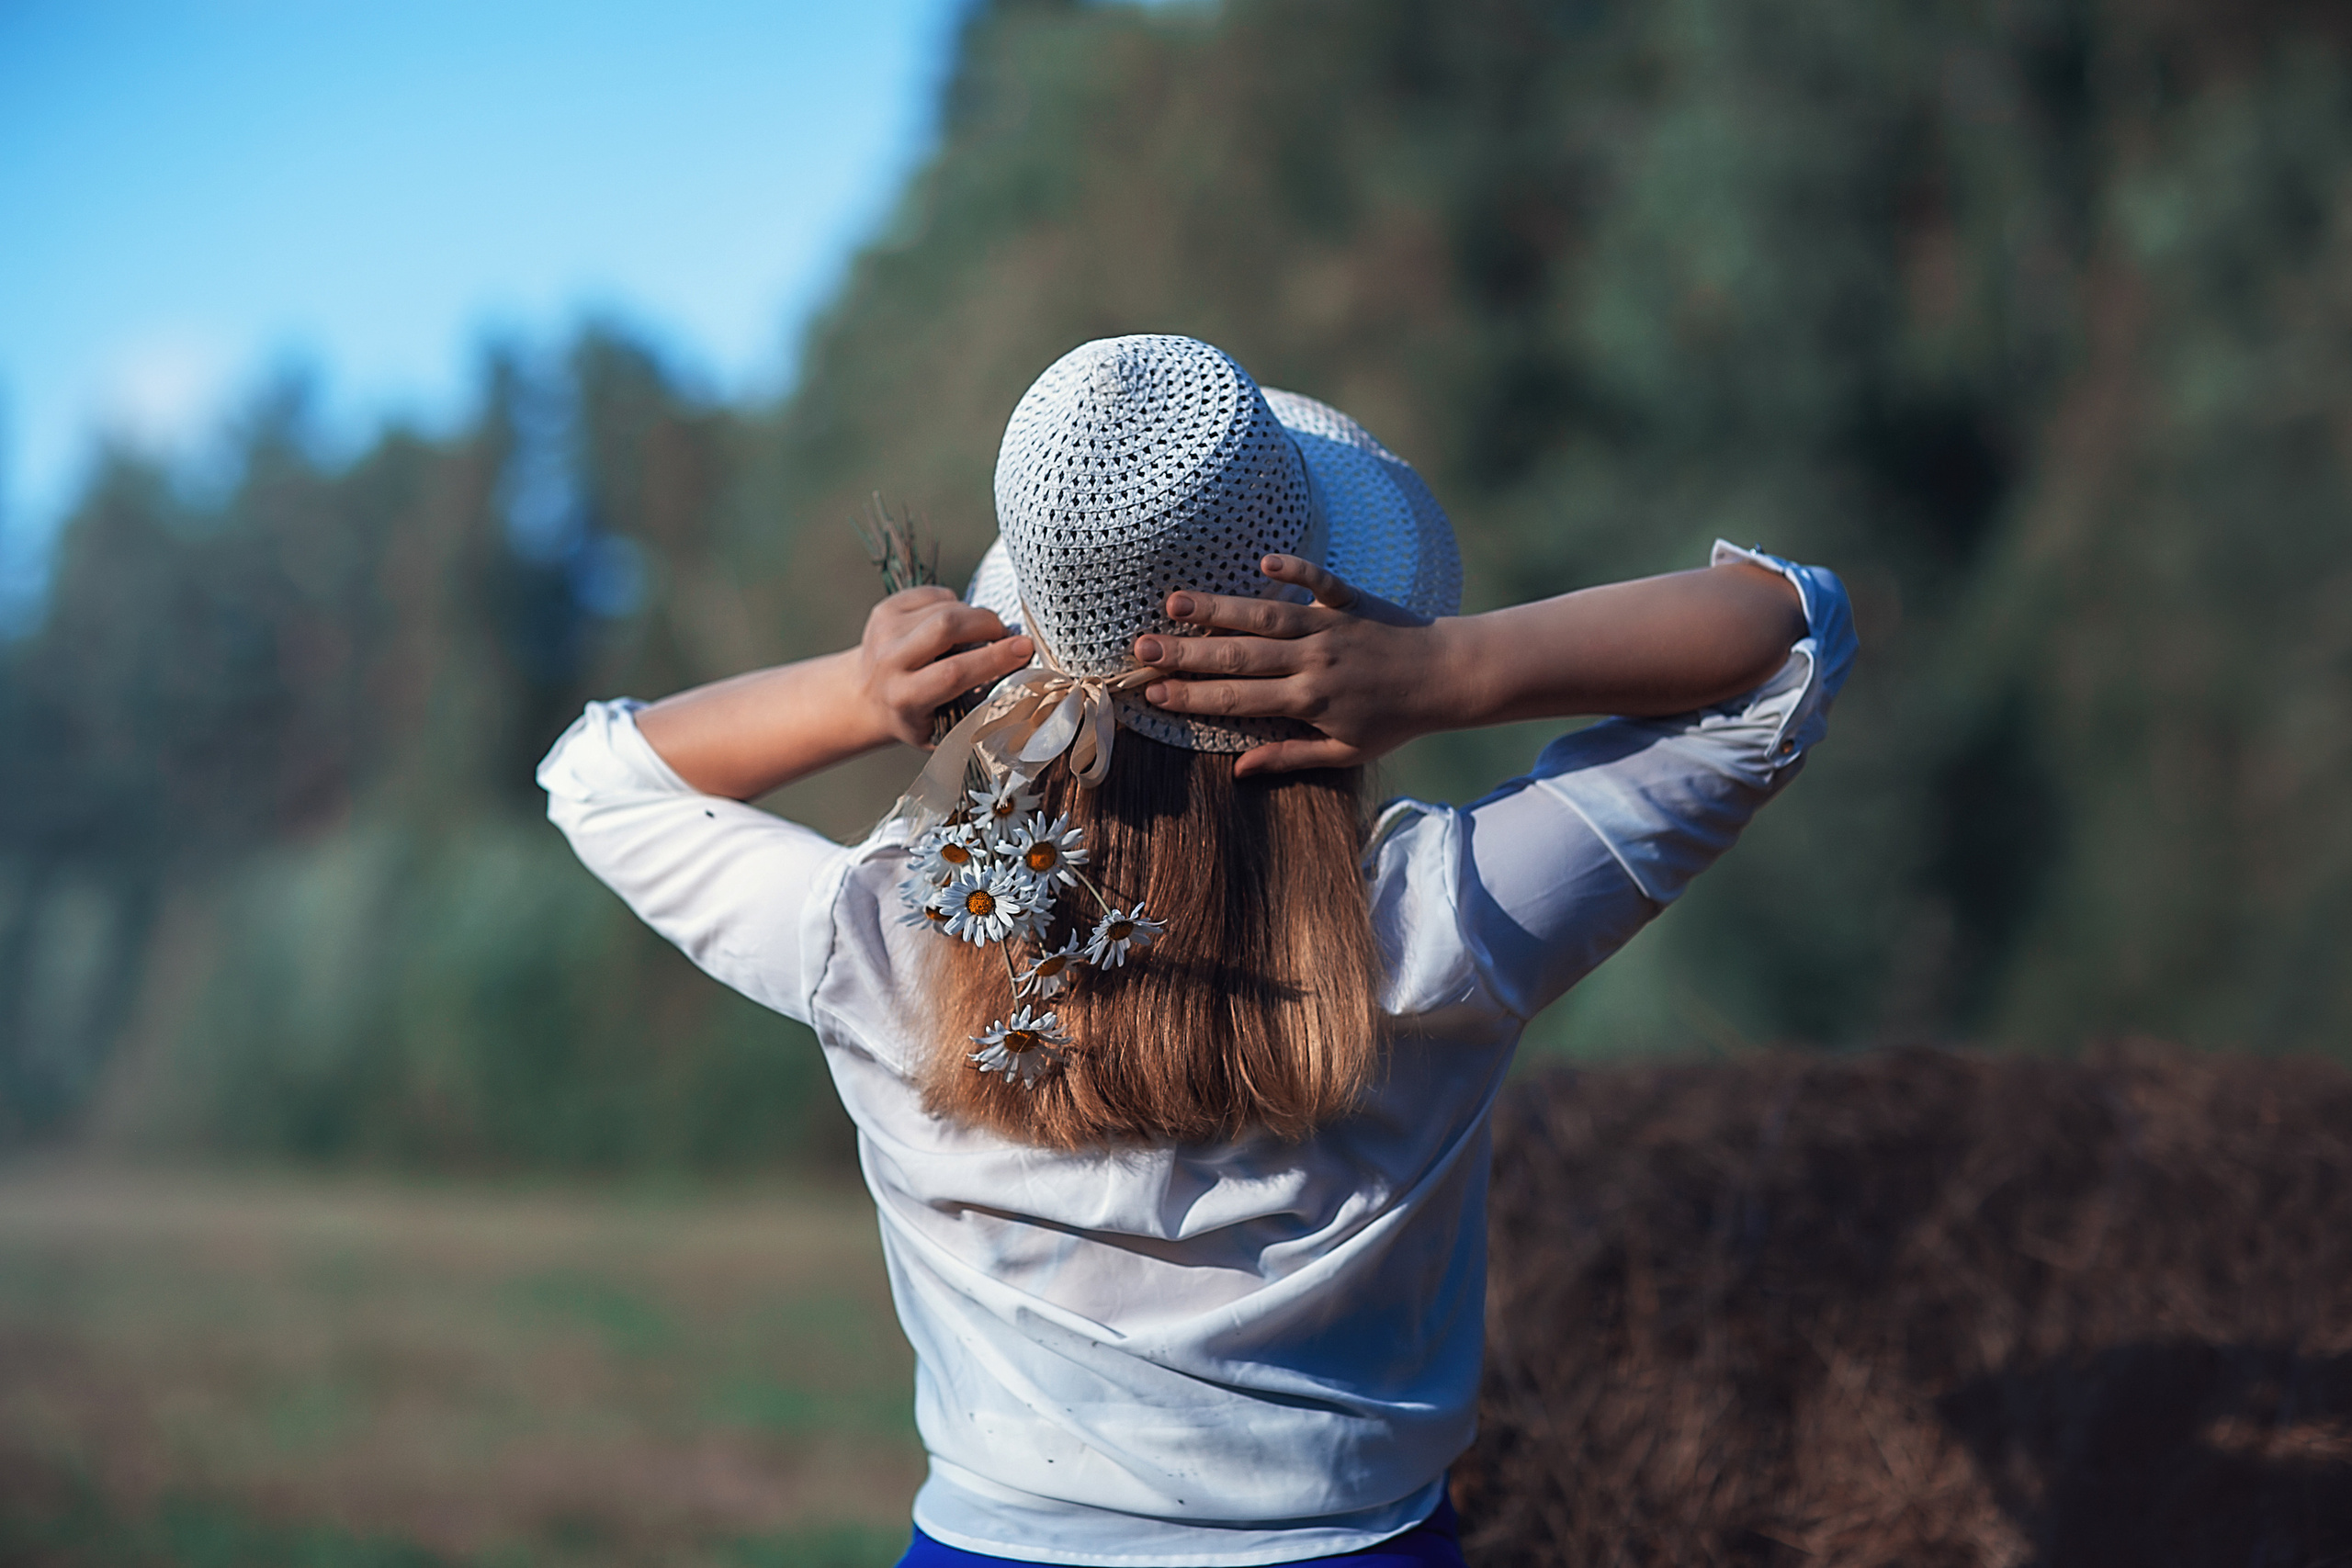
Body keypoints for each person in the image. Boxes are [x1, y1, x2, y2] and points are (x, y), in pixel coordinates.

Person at [539, 334, 1855, 1567]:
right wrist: (1453, 670)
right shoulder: (1440, 924)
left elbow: (597, 778)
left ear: (1026, 649)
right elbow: (1792, 635)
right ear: (1336, 633)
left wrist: (857, 689)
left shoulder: (893, 940)